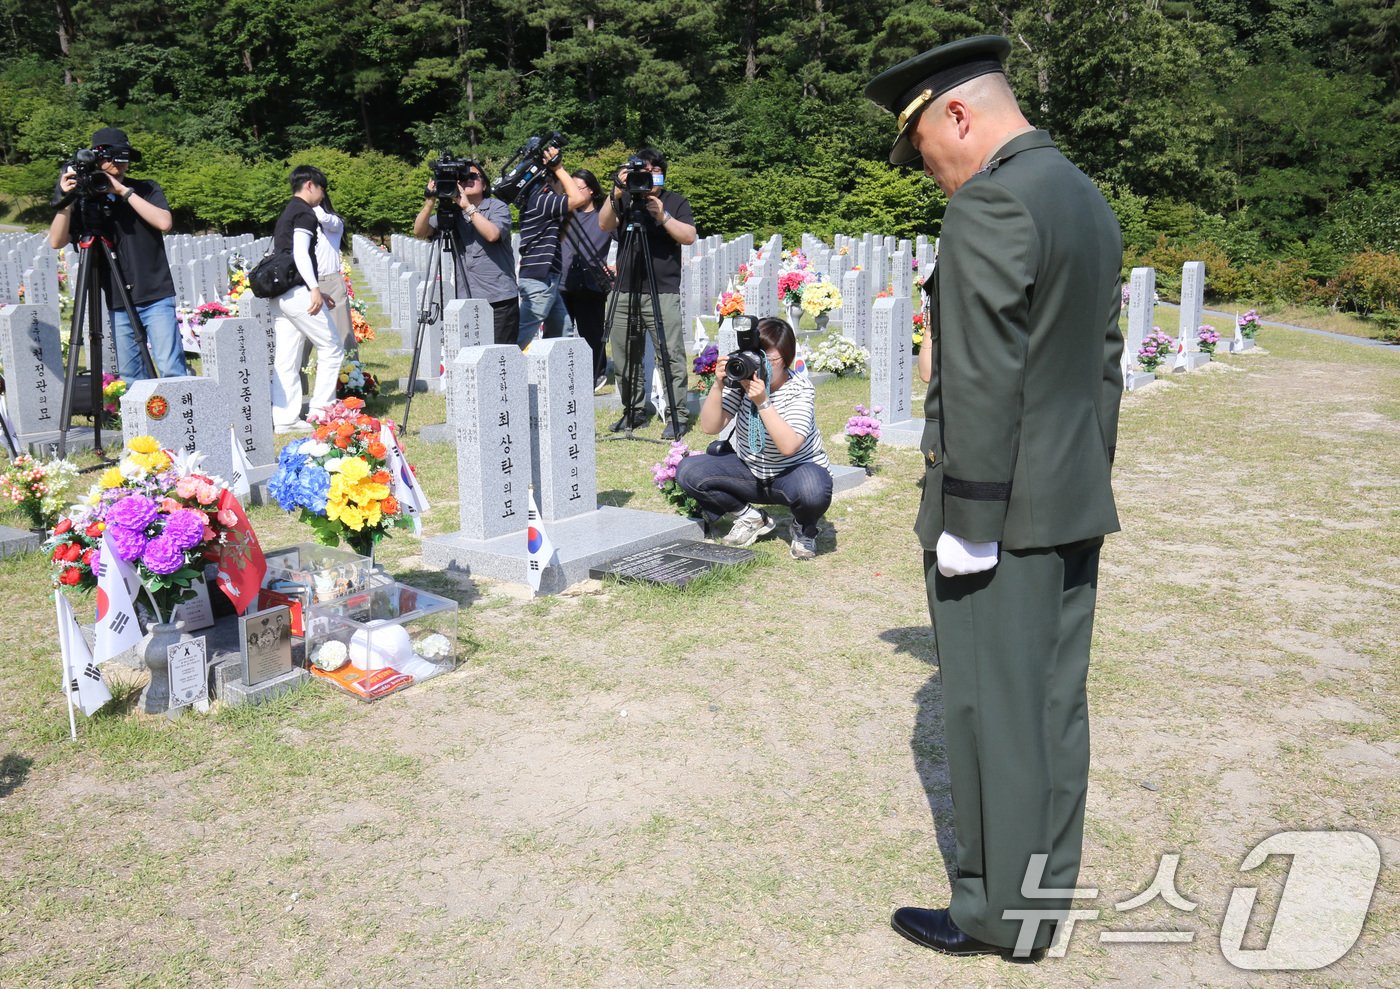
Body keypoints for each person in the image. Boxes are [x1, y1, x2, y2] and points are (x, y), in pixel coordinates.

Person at [864, 37, 1124, 962]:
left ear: (958, 115)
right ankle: (1042, 900)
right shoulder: (1081, 196)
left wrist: (967, 523)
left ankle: (995, 916)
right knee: (1052, 706)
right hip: (1067, 496)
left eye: (925, 149)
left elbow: (977, 380)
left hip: (1001, 513)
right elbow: (1100, 367)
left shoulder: (990, 204)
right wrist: (1085, 474)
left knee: (989, 712)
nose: (931, 174)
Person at [674, 317, 832, 560]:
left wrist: (763, 402)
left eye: (770, 360)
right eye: (756, 357)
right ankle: (750, 517)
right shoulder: (743, 383)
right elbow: (709, 426)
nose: (760, 366)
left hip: (794, 472)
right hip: (752, 470)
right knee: (688, 471)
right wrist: (718, 385)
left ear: (787, 359)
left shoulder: (800, 389)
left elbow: (789, 446)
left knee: (814, 489)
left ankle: (804, 528)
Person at [47, 126, 188, 380]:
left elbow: (164, 222)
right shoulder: (84, 200)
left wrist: (121, 191)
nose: (119, 166)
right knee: (132, 374)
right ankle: (142, 420)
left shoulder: (145, 189)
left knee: (171, 370)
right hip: (117, 299)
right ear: (97, 160)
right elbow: (56, 241)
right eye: (112, 159)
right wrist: (65, 201)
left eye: (123, 159)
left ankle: (180, 419)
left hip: (155, 293)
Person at [597, 147, 696, 439]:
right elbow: (604, 223)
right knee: (625, 353)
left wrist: (663, 216)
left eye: (653, 170)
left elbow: (689, 236)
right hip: (625, 288)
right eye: (640, 171)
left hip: (662, 289)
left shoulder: (675, 202)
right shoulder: (624, 199)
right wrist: (615, 191)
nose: (646, 176)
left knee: (670, 353)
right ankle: (633, 411)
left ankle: (677, 415)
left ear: (662, 174)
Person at [269, 165, 344, 433]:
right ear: (310, 185)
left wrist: (315, 289)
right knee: (332, 347)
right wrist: (314, 288)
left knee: (287, 358)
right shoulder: (304, 212)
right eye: (322, 189)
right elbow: (301, 253)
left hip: (282, 293)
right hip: (298, 292)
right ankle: (321, 412)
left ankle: (286, 419)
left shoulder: (288, 210)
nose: (323, 196)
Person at [412, 161, 518, 347]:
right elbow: (420, 232)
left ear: (484, 184)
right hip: (467, 299)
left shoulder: (497, 207)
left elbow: (492, 234)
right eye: (463, 178)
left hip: (499, 299)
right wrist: (430, 201)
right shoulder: (453, 212)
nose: (468, 181)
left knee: (501, 358)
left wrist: (467, 207)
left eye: (473, 177)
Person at [516, 147, 590, 348]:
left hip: (546, 276)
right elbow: (578, 199)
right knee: (523, 333)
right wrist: (559, 167)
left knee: (562, 327)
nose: (565, 190)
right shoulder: (542, 199)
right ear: (552, 180)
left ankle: (559, 376)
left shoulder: (539, 200)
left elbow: (562, 233)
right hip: (540, 277)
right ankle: (500, 371)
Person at [558, 169, 613, 391]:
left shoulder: (603, 216)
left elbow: (626, 237)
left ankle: (596, 372)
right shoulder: (564, 214)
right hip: (562, 281)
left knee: (592, 331)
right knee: (561, 330)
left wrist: (615, 265)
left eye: (578, 188)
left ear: (591, 190)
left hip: (592, 283)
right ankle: (563, 373)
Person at [313, 188, 353, 353]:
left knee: (344, 336)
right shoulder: (300, 225)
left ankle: (352, 376)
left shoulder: (334, 222)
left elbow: (323, 218)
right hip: (307, 283)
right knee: (303, 341)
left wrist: (312, 202)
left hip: (331, 282)